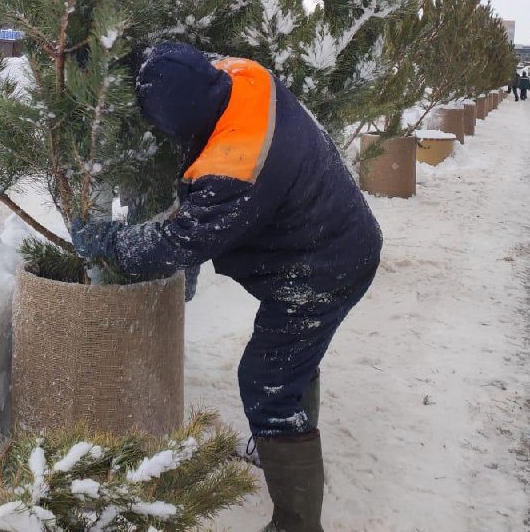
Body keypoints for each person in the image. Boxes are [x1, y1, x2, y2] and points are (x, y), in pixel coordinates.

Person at [70, 42, 383, 532]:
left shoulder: (236, 166)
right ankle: (279, 435)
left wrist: (110, 242)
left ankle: (297, 521)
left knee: (266, 381)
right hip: (337, 236)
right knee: (290, 360)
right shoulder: (242, 75)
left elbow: (177, 241)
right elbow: (172, 61)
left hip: (323, 267)